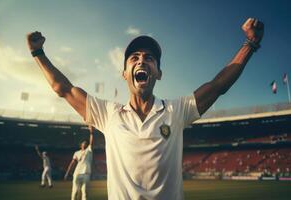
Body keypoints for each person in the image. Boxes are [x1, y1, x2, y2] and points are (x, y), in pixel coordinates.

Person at [26, 17, 264, 199]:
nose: (141, 60)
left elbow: (218, 85)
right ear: (124, 74)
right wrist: (38, 53)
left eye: (149, 58)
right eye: (134, 58)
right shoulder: (108, 114)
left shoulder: (176, 110)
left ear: (158, 73)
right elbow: (64, 89)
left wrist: (250, 44)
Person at [64, 126, 94, 200]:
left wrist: (91, 132)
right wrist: (67, 172)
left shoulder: (89, 151)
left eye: (86, 143)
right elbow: (72, 163)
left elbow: (91, 141)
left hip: (86, 174)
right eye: (83, 143)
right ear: (81, 145)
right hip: (77, 173)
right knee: (75, 192)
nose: (85, 144)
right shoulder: (76, 153)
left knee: (85, 193)